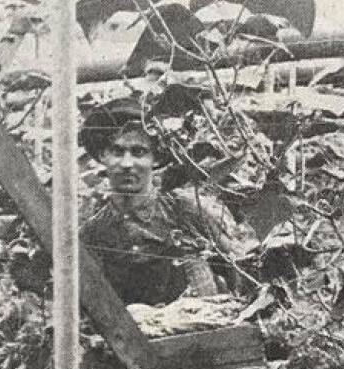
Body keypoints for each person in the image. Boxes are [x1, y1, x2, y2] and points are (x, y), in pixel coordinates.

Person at [79, 103, 256, 306]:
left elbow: (242, 271)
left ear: (154, 158)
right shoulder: (92, 234)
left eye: (138, 152)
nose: (127, 164)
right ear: (103, 156)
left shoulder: (184, 210)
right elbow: (92, 304)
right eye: (117, 152)